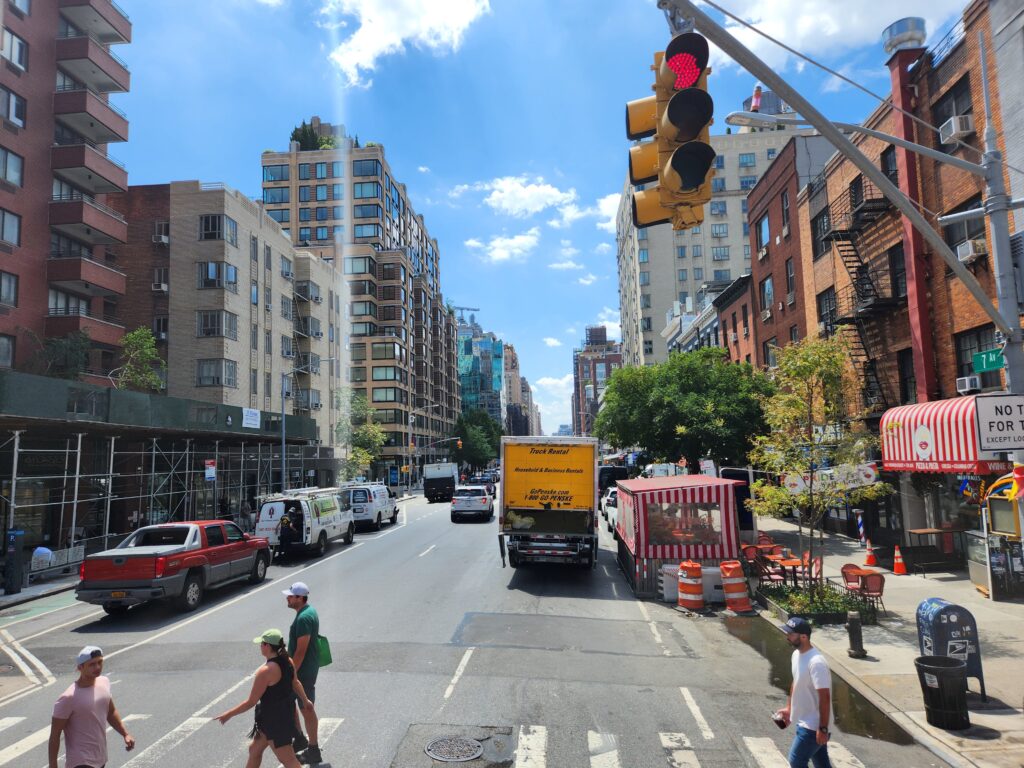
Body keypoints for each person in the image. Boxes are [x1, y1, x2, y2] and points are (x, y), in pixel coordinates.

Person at [215, 629, 312, 768]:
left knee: (288, 760)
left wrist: (229, 714)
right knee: (254, 750)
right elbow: (295, 683)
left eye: (261, 643)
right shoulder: (288, 661)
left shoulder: (266, 671)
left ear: (267, 646)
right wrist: (305, 700)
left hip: (275, 721)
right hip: (279, 716)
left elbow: (251, 702)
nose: (260, 646)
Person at [49, 645, 135, 768]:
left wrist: (125, 734)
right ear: (80, 667)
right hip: (81, 761)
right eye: (92, 664)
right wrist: (53, 766)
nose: (97, 667)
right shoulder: (68, 698)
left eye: (100, 662)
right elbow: (55, 735)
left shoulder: (104, 682)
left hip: (100, 758)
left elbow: (110, 712)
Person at [775, 617, 833, 768]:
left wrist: (823, 728)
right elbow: (796, 682)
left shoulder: (816, 663)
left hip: (813, 725)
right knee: (821, 762)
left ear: (804, 637)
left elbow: (825, 697)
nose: (787, 636)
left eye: (791, 634)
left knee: (796, 761)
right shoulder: (796, 655)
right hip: (805, 721)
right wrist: (789, 708)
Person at [284, 582, 322, 765]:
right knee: (289, 701)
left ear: (300, 598)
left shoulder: (304, 618)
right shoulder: (307, 612)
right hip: (303, 669)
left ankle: (313, 750)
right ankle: (299, 738)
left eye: (290, 596)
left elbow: (301, 650)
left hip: (303, 672)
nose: (287, 598)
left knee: (307, 708)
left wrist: (292, 673)